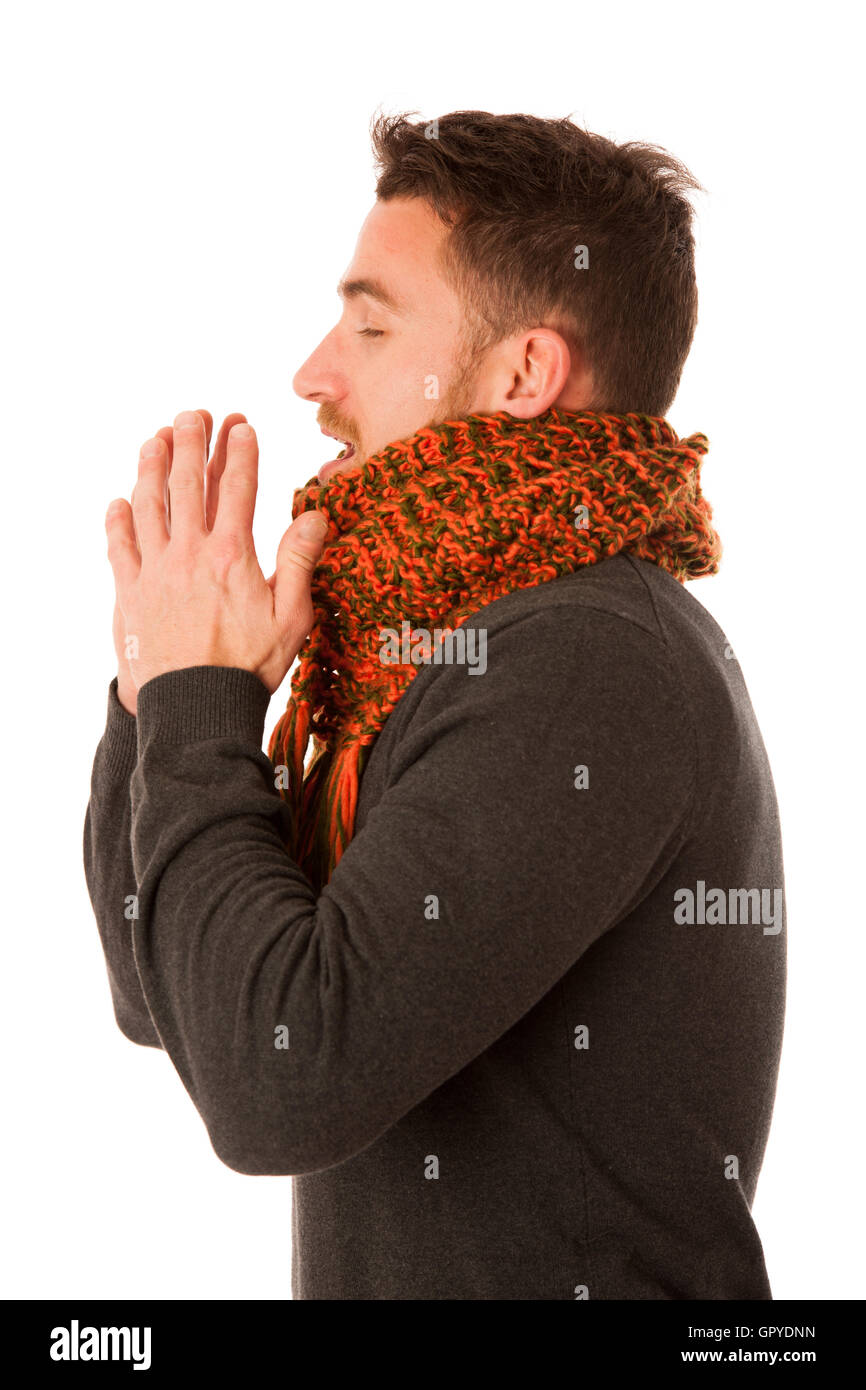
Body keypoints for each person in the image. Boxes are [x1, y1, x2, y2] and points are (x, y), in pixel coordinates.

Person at [83, 109, 786, 1300]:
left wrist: (198, 704)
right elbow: (172, 998)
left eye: (369, 323)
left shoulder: (583, 654)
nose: (315, 372)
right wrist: (166, 693)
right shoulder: (424, 653)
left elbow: (276, 1080)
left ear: (521, 371)